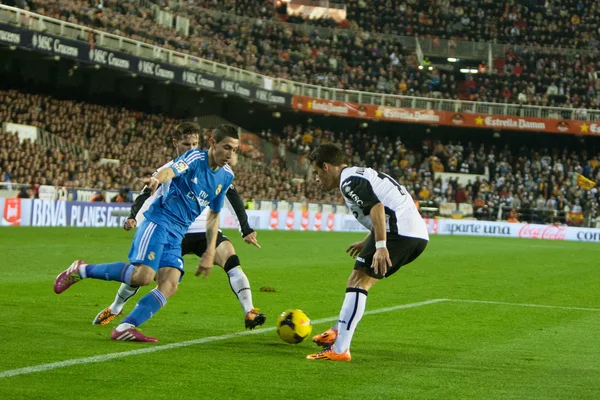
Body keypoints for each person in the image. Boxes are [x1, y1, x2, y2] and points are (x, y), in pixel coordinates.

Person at [53, 123, 239, 342]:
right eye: (226, 147)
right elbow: (171, 169)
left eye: (234, 150)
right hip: (160, 221)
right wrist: (156, 179)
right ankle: (81, 270)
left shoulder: (226, 176)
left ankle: (125, 327)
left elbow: (214, 214)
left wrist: (209, 252)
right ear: (212, 143)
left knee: (170, 284)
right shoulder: (194, 158)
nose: (230, 154)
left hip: (178, 232)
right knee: (143, 276)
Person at [93, 127, 265, 330]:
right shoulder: (173, 167)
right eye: (186, 144)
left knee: (231, 259)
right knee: (142, 274)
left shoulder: (221, 171)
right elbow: (148, 190)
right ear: (176, 143)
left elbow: (231, 197)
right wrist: (133, 216)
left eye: (194, 144)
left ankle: (249, 310)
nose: (191, 148)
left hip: (203, 229)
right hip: (173, 230)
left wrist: (245, 229)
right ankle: (115, 307)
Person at [306, 144, 429, 362]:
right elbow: (390, 204)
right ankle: (337, 331)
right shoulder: (358, 173)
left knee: (357, 283)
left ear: (326, 167)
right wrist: (368, 241)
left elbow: (378, 207)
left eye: (316, 172)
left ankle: (340, 348)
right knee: (361, 282)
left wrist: (381, 245)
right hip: (414, 234)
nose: (317, 178)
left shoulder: (348, 181)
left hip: (398, 232)